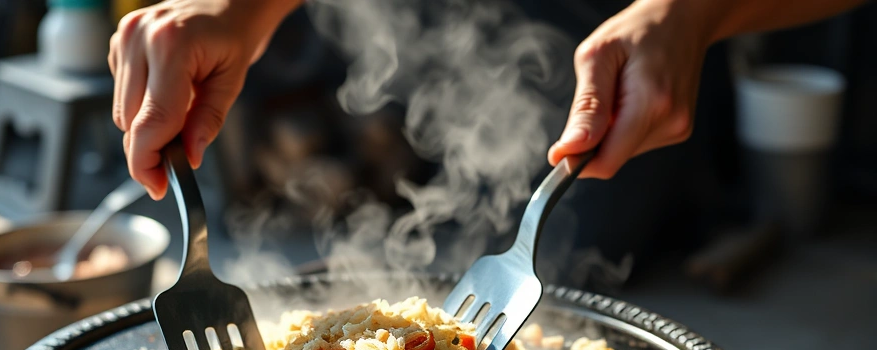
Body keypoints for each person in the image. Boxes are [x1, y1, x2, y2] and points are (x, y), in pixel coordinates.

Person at [109, 0, 868, 199]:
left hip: (648, 33)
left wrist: (689, 13)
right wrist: (243, 4)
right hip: (438, 36)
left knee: (605, 228)